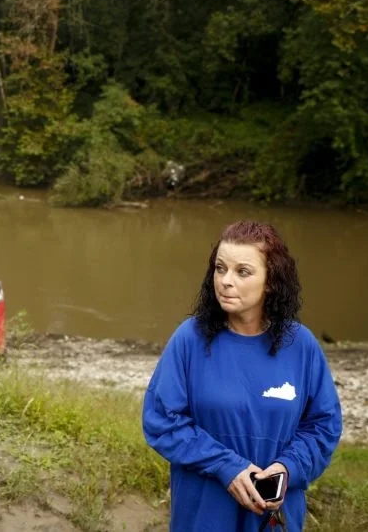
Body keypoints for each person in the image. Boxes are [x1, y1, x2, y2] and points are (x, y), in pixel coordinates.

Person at [143, 220, 342, 532]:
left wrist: (286, 469)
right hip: (205, 515)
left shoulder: (301, 346)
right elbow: (162, 420)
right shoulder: (190, 340)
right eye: (220, 269)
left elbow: (322, 426)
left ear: (271, 281)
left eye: (242, 272)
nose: (225, 281)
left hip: (275, 516)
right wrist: (227, 467)